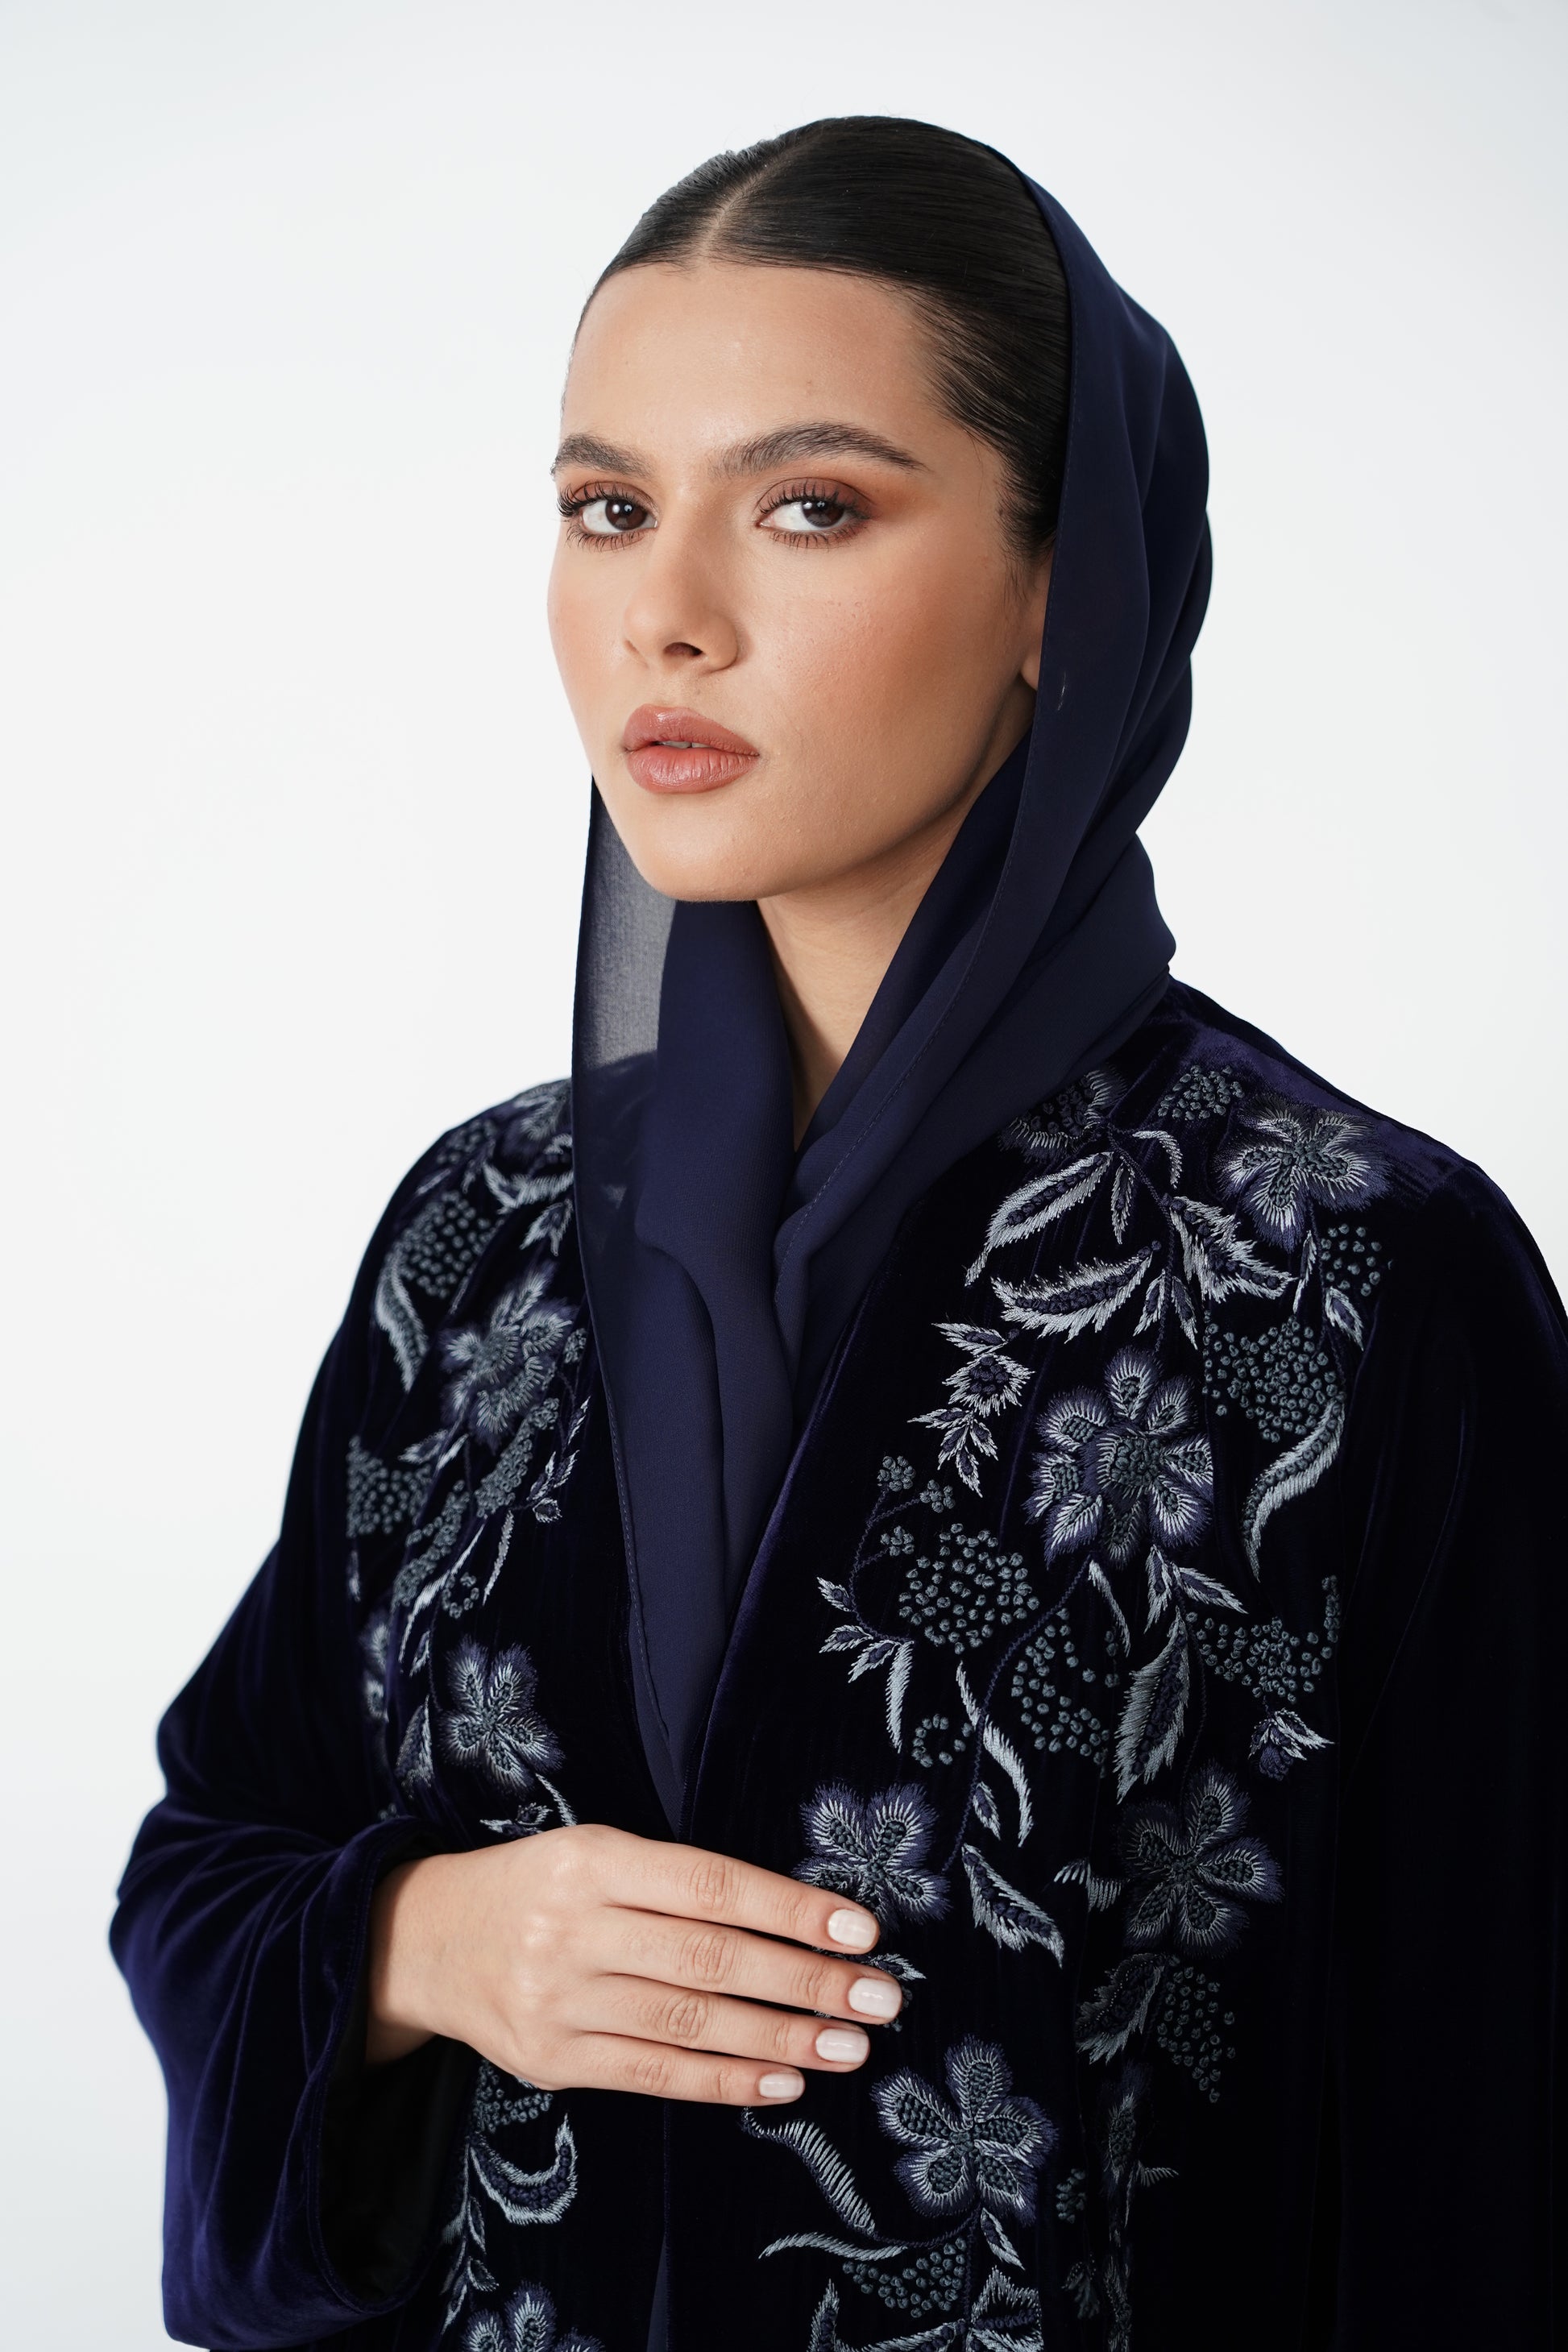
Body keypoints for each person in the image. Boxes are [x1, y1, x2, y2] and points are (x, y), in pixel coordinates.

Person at [113, 117, 1567, 2352]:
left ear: (1065, 590)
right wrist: (419, 1947)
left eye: (806, 506)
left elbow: (1497, 2129)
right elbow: (226, 1834)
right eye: (608, 508)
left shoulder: (1356, 1279)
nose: (665, 614)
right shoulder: (483, 1237)